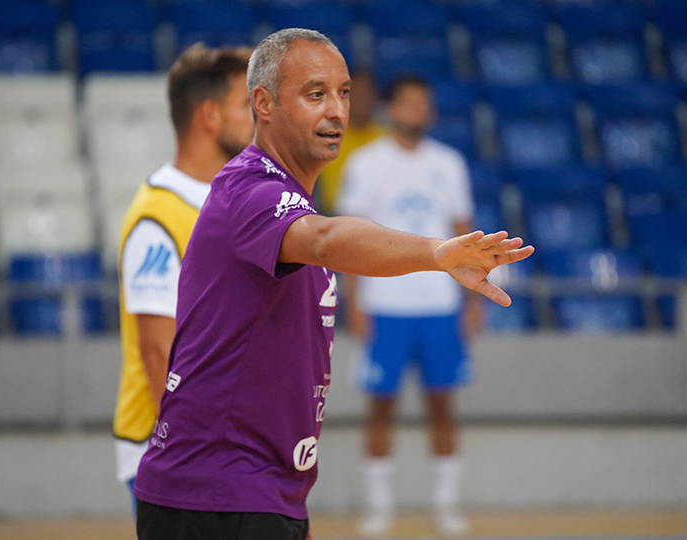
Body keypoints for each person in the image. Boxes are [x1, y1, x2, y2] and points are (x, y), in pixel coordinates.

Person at [133, 28, 533, 540]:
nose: (338, 111)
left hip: (260, 494)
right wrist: (435, 253)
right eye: (315, 93)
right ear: (264, 104)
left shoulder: (285, 198)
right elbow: (326, 240)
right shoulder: (248, 189)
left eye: (343, 93)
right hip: (217, 496)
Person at [111, 43, 254, 512]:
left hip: (226, 449)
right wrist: (192, 457)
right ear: (210, 116)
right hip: (173, 453)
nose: (259, 117)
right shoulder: (157, 215)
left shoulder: (234, 197)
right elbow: (158, 350)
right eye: (246, 106)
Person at [337, 75, 478, 538]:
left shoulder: (450, 164)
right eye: (409, 103)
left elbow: (467, 234)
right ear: (391, 108)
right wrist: (355, 302)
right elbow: (350, 240)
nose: (418, 111)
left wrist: (471, 301)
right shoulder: (364, 163)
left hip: (439, 304)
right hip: (385, 304)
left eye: (425, 103)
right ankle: (380, 509)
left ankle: (446, 507)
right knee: (380, 407)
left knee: (443, 405)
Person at [315, 70, 385, 215]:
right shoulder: (324, 137)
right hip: (331, 216)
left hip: (380, 216)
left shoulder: (387, 137)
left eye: (365, 94)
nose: (360, 99)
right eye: (352, 94)